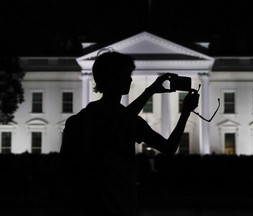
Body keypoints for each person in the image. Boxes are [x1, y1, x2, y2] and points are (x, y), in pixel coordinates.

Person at [60, 49, 199, 216]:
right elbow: (115, 123)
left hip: (123, 205)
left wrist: (185, 113)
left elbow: (169, 147)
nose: (131, 79)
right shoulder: (82, 122)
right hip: (96, 207)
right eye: (126, 74)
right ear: (111, 79)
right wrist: (149, 92)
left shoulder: (128, 121)